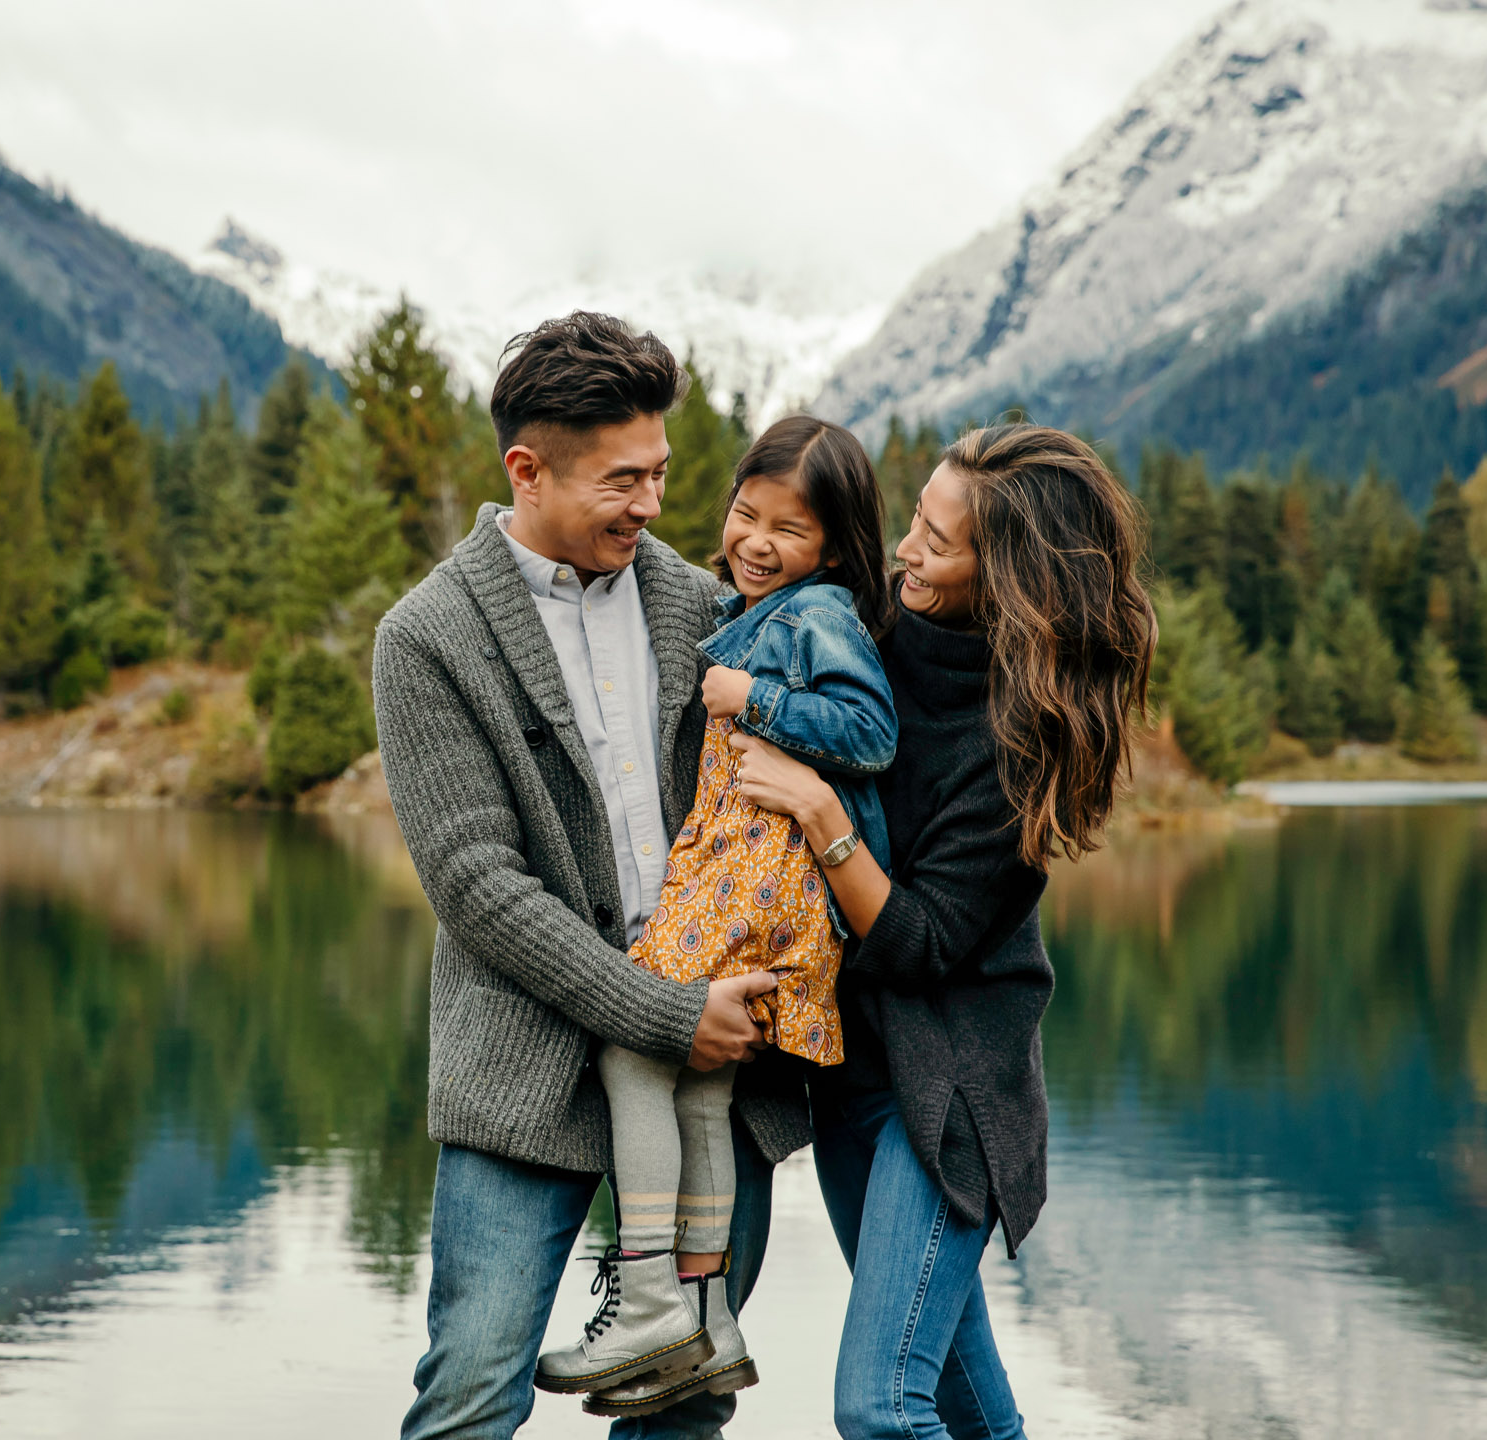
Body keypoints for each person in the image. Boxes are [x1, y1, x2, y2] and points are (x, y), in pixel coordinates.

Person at [373, 311, 807, 1440]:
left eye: (661, 474)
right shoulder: (426, 637)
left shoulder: (706, 609)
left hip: (718, 1068)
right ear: (527, 468)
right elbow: (477, 885)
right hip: (522, 1071)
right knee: (469, 1399)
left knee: (685, 1399)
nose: (654, 505)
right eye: (624, 481)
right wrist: (663, 1013)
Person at [726, 423, 1155, 1440]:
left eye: (937, 541)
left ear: (1003, 577)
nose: (907, 550)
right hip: (845, 1075)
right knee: (971, 1413)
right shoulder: (860, 628)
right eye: (914, 520)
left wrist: (822, 815)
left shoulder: (1025, 742)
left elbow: (919, 940)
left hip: (951, 1093)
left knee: (881, 1408)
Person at [536, 415, 898, 1421]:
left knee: (630, 1051)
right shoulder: (764, 607)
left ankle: (650, 1291)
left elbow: (871, 732)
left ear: (834, 547)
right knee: (698, 1085)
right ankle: (709, 1317)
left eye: (790, 528)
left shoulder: (812, 615)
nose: (756, 540)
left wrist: (754, 697)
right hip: (743, 883)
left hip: (759, 889)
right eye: (746, 513)